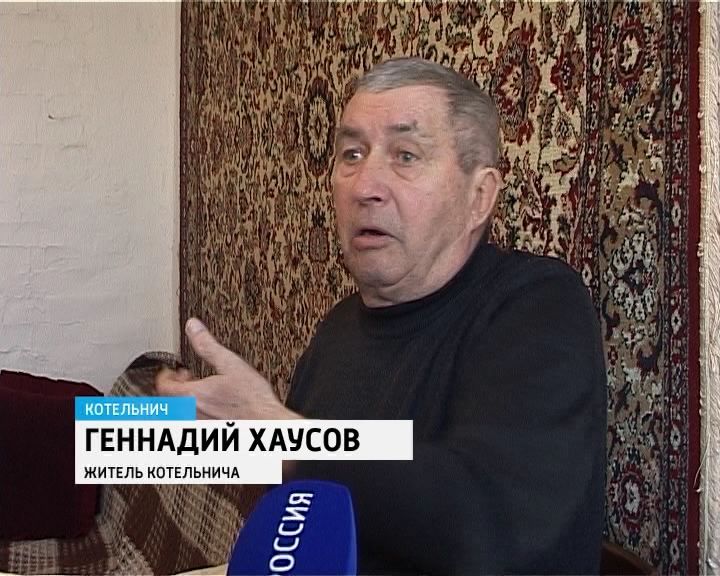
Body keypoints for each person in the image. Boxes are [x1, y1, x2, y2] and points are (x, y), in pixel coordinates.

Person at [157, 57, 607, 574]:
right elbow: (315, 499)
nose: (365, 185)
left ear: (478, 197)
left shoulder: (537, 305)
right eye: (352, 154)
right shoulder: (337, 331)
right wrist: (185, 434)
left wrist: (285, 438)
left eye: (406, 155)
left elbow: (488, 519)